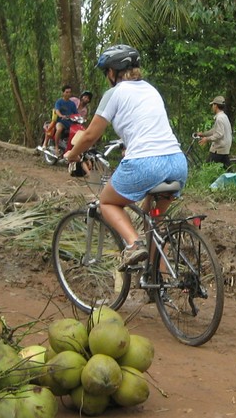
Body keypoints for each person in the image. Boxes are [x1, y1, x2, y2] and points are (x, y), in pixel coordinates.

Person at [64, 44, 187, 265]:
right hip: (177, 163)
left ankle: (132, 244)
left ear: (112, 72)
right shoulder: (151, 90)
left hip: (147, 165)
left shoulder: (115, 93)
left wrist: (73, 154)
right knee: (154, 220)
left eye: (106, 73)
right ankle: (161, 283)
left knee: (107, 203)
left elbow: (91, 134)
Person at [196, 95, 234, 169]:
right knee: (228, 169)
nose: (212, 107)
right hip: (225, 147)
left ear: (216, 105)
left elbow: (219, 134)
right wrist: (203, 134)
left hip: (219, 148)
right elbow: (214, 130)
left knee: (207, 168)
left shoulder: (219, 118)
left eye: (213, 105)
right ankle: (234, 180)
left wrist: (207, 139)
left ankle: (207, 180)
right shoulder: (224, 116)